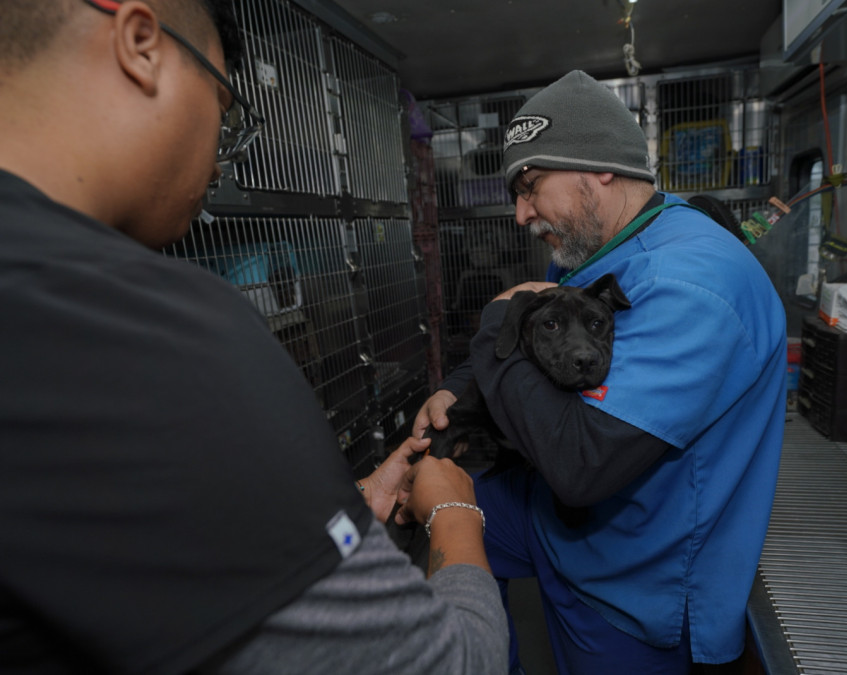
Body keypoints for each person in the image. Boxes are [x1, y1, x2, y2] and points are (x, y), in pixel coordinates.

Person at [0, 1, 507, 673]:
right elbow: (451, 664)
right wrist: (451, 506)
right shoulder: (138, 323)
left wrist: (340, 505)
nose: (217, 165)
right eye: (223, 107)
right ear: (141, 44)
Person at [413, 69, 787, 674]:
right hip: (568, 530)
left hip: (637, 580)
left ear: (598, 166)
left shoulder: (691, 283)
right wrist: (456, 387)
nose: (520, 214)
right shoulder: (605, 248)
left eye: (531, 186)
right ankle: (478, 652)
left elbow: (580, 465)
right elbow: (536, 334)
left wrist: (494, 324)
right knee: (442, 500)